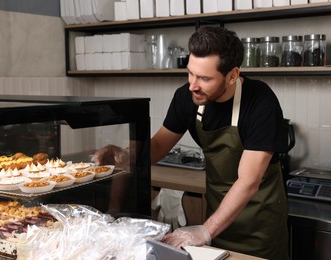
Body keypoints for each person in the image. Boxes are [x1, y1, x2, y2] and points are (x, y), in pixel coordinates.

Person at [94, 26, 289, 260]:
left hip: (259, 224)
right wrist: (124, 156)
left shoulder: (260, 102)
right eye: (190, 73)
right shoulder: (187, 97)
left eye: (204, 78)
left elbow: (248, 181)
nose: (192, 85)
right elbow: (157, 147)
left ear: (232, 75)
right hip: (217, 215)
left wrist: (205, 230)